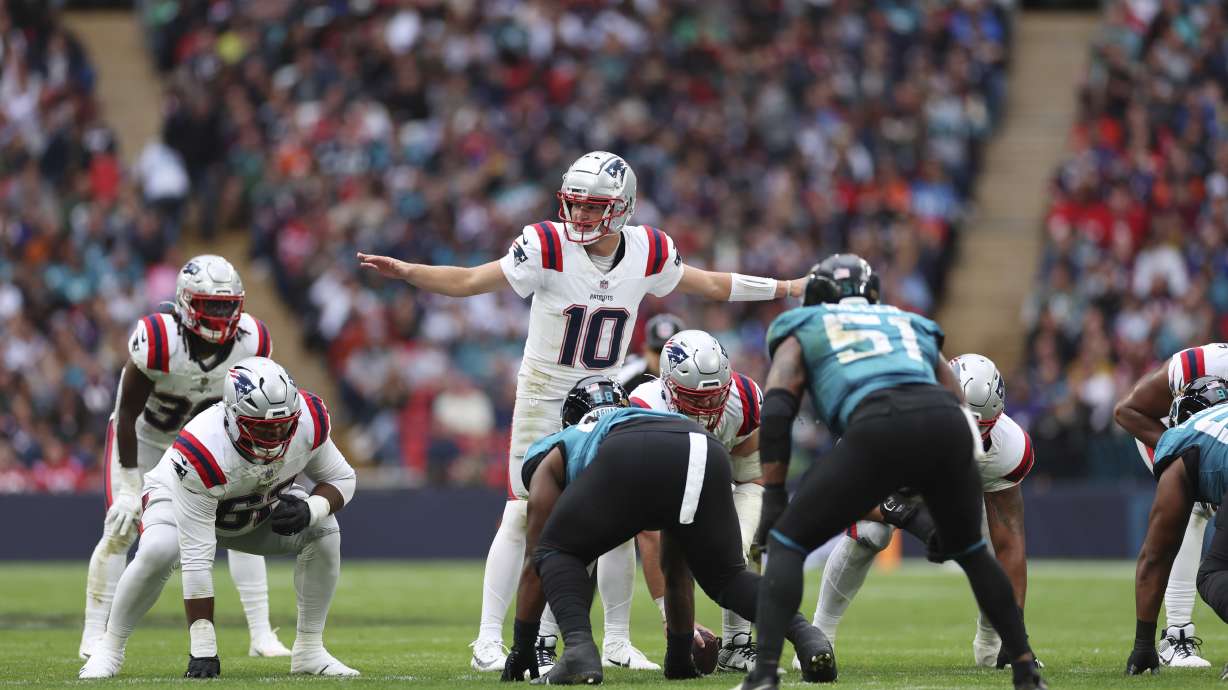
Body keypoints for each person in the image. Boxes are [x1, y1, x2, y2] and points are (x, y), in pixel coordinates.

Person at [357, 150, 804, 672]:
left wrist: (785, 287)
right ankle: (486, 639)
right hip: (546, 393)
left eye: (593, 207)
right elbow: (471, 281)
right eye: (575, 204)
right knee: (522, 512)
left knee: (616, 518)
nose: (581, 216)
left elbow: (709, 283)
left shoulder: (649, 250)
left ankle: (615, 641)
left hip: (606, 399)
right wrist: (411, 272)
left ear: (622, 208)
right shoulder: (546, 243)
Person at [742, 254, 1045, 690]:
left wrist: (773, 494)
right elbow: (953, 396)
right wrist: (939, 498)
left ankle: (765, 674)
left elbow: (776, 407)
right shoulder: (910, 323)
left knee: (787, 540)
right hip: (946, 424)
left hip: (879, 421)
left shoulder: (805, 325)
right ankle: (1025, 668)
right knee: (973, 551)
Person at [500, 375, 833, 685]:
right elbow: (675, 570)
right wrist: (680, 657)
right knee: (726, 577)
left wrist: (522, 648)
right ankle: (806, 634)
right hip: (705, 447)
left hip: (627, 451)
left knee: (555, 551)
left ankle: (578, 651)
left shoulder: (556, 446)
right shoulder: (644, 417)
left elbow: (535, 562)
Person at [79, 357, 358, 679]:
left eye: (284, 426)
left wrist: (313, 508)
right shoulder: (202, 449)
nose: (276, 437)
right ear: (234, 417)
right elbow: (197, 557)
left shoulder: (309, 420)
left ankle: (309, 650)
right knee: (161, 550)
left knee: (324, 528)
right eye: (264, 429)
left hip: (249, 511)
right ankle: (110, 648)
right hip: (177, 503)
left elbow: (342, 478)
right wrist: (204, 647)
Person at [80, 255, 288, 660]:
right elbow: (126, 414)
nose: (222, 314)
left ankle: (262, 635)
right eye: (212, 305)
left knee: (243, 521)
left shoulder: (254, 341)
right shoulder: (159, 339)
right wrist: (128, 485)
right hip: (146, 440)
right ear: (187, 303)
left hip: (206, 445)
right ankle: (93, 633)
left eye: (228, 305)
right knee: (122, 528)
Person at [810, 353, 1034, 669]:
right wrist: (912, 519)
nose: (967, 439)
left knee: (989, 542)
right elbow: (846, 492)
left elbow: (1010, 539)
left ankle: (994, 643)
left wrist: (1017, 635)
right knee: (870, 533)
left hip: (959, 489)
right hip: (894, 487)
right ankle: (820, 634)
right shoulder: (890, 417)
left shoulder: (1006, 445)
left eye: (978, 429)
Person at [627, 329, 764, 672]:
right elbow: (647, 527)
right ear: (669, 388)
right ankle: (589, 642)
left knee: (748, 543)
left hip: (717, 482)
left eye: (715, 395)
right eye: (696, 398)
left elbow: (751, 476)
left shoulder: (743, 398)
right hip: (662, 488)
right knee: (597, 542)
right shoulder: (645, 409)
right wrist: (668, 617)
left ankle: (737, 644)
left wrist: (737, 542)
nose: (707, 406)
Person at [1115, 343, 1228, 667]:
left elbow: (1153, 558)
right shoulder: (1205, 363)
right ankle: (1176, 635)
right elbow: (1126, 411)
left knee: (1216, 571)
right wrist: (1181, 444)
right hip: (1177, 430)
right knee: (1192, 512)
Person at [617, 313, 684, 391]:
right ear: (646, 350)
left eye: (670, 352)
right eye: (658, 351)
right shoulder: (627, 377)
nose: (663, 358)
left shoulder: (696, 380)